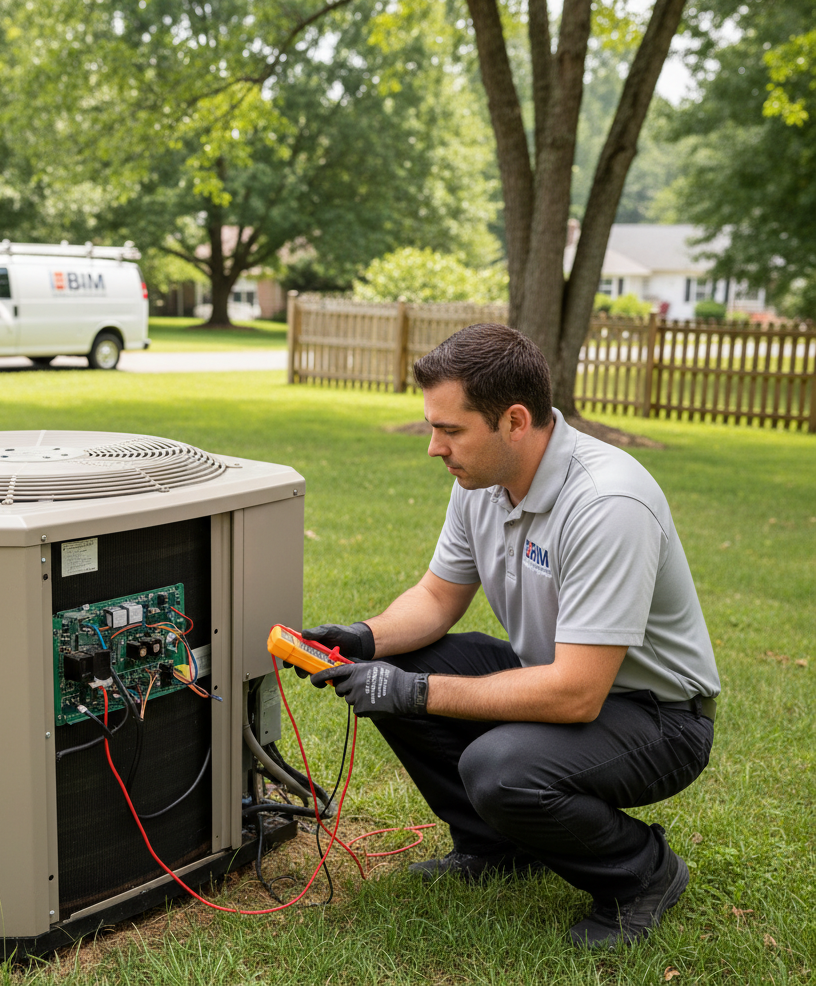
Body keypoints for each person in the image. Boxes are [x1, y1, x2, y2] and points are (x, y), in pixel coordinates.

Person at [301, 323, 719, 949]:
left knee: (499, 768)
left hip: (658, 717)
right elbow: (437, 598)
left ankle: (644, 874)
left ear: (515, 421)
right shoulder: (483, 482)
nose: (435, 447)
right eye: (432, 427)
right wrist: (364, 638)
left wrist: (414, 692)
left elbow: (576, 695)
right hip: (559, 679)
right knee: (406, 655)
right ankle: (495, 847)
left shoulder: (608, 502)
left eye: (450, 430)